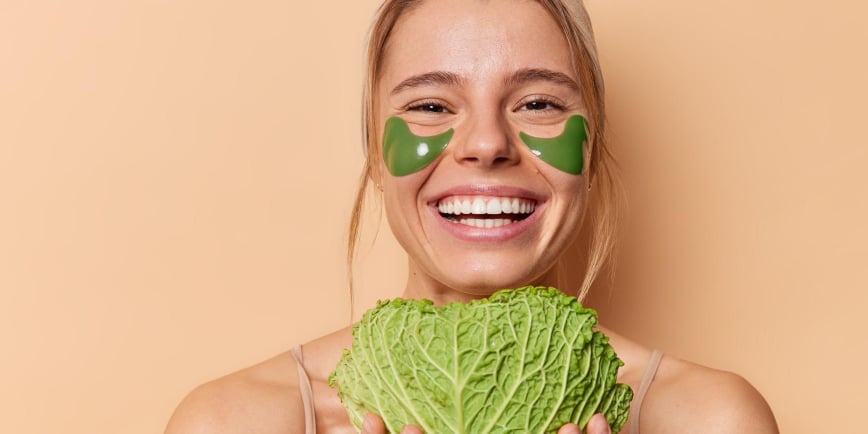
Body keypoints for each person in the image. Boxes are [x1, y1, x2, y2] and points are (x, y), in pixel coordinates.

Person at [165, 0, 779, 433]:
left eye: (537, 102)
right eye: (431, 104)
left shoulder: (707, 420)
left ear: (590, 148)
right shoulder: (235, 421)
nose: (487, 143)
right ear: (376, 154)